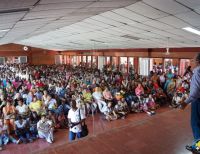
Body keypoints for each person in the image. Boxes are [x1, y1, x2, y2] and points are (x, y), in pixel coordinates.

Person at [181, 53, 200, 152]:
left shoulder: (197, 72)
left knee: (196, 124)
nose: (192, 62)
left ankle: (198, 147)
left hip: (198, 102)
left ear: (198, 61)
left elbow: (195, 92)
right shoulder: (196, 73)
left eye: (193, 60)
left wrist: (185, 102)